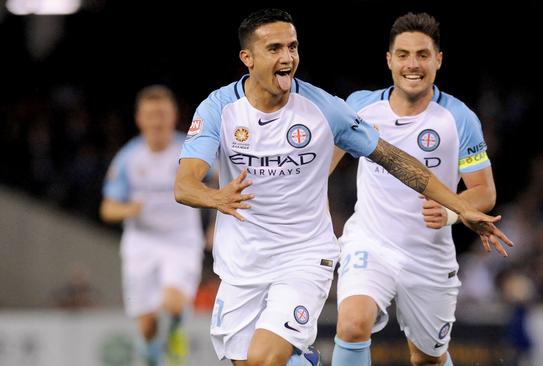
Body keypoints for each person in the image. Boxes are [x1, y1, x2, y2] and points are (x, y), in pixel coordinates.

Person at [174, 8, 512, 366]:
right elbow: (184, 185)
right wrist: (216, 198)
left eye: (293, 47)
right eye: (274, 49)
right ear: (247, 57)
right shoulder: (219, 108)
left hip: (304, 258)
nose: (287, 57)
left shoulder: (325, 109)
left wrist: (458, 209)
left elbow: (394, 159)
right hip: (241, 263)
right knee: (254, 361)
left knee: (270, 359)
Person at [328, 12, 509, 366]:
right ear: (389, 60)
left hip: (428, 256)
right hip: (370, 241)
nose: (413, 64)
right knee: (351, 325)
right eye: (404, 54)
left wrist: (451, 212)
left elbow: (484, 192)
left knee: (427, 359)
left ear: (438, 60)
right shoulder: (361, 107)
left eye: (423, 55)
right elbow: (320, 168)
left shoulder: (459, 118)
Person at [100, 85, 205, 366]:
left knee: (172, 303)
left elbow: (222, 183)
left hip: (181, 240)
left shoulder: (191, 151)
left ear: (173, 116)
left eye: (162, 114)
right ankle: (152, 358)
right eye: (151, 115)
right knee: (146, 325)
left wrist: (217, 225)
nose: (157, 121)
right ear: (139, 119)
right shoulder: (128, 158)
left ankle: (175, 332)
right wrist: (127, 209)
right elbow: (107, 208)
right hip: (141, 243)